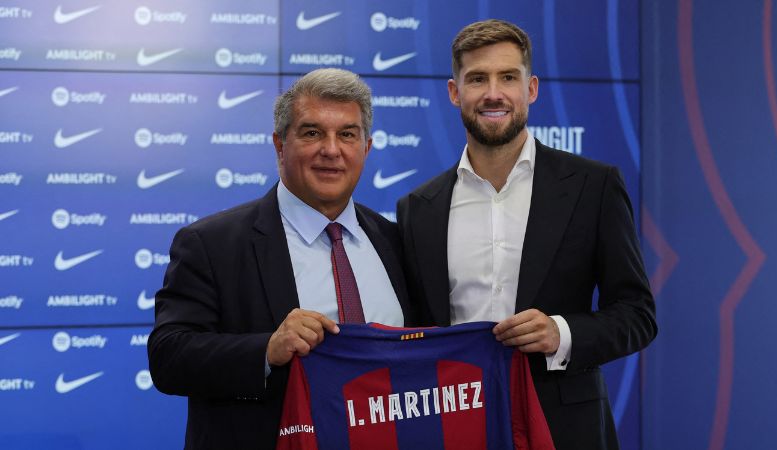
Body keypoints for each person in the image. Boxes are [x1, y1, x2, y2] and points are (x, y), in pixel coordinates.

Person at [396, 19, 657, 449]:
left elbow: (637, 314)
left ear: (531, 88)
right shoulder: (417, 209)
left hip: (565, 430)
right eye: (477, 78)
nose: (493, 93)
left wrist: (562, 333)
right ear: (454, 92)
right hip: (454, 427)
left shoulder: (594, 186)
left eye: (508, 77)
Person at [148, 68, 412, 450]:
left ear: (366, 148)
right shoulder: (211, 243)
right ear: (279, 144)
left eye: (347, 135)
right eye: (312, 133)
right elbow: (168, 357)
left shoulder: (393, 240)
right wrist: (268, 349)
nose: (331, 150)